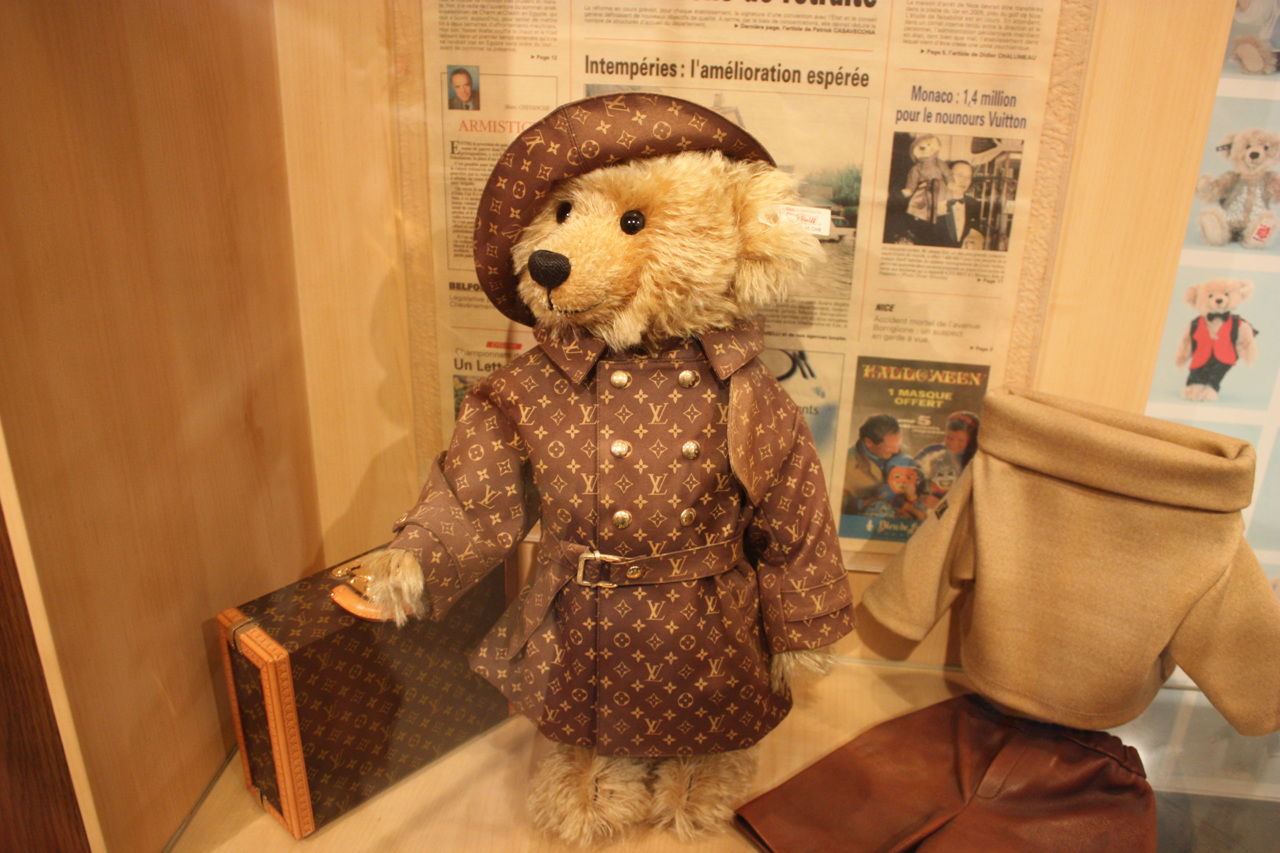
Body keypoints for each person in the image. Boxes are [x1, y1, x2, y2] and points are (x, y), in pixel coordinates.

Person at [914, 411, 980, 507]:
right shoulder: (931, 452)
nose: (954, 444)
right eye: (949, 438)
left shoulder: (975, 461)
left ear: (971, 440)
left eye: (961, 440)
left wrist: (941, 505)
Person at [842, 413, 902, 515]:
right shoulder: (845, 465)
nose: (896, 451)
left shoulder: (900, 453)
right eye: (889, 447)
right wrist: (863, 504)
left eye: (897, 444)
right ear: (869, 442)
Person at [935, 161, 985, 249]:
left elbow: (975, 228)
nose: (964, 180)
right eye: (960, 175)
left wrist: (977, 236)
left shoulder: (973, 204)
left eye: (968, 177)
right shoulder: (933, 200)